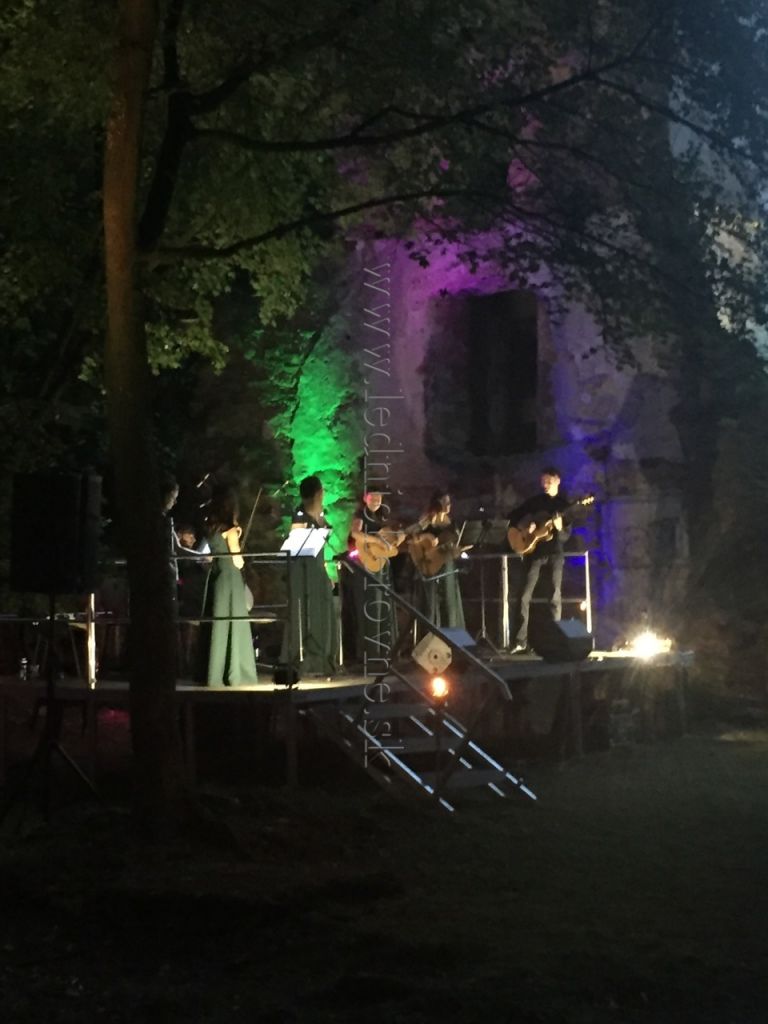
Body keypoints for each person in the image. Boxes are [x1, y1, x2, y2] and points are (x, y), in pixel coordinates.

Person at [280, 475, 338, 677]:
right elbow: (297, 546)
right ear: (317, 493)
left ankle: (323, 658)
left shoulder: (319, 514)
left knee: (323, 611)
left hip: (317, 570)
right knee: (304, 612)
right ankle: (303, 658)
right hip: (302, 570)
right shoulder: (299, 515)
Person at [509, 467, 572, 654]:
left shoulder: (564, 506)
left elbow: (566, 536)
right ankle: (519, 641)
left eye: (549, 481)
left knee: (554, 596)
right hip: (534, 552)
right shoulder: (534, 502)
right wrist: (526, 526)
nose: (545, 485)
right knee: (523, 595)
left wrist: (559, 529)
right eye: (543, 481)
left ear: (558, 481)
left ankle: (555, 639)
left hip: (555, 554)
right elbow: (513, 516)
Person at [200, 488, 258, 686]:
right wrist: (238, 540)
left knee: (218, 622)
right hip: (230, 578)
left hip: (216, 576)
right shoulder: (231, 530)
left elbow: (208, 556)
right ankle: (234, 672)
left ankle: (213, 672)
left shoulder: (210, 528)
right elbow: (238, 561)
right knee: (233, 620)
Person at [344, 490, 402, 671]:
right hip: (366, 566)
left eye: (379, 498)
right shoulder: (360, 516)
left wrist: (399, 537)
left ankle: (385, 652)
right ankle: (370, 653)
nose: (376, 500)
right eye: (372, 497)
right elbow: (356, 533)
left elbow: (393, 537)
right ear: (365, 498)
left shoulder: (383, 518)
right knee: (371, 606)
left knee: (384, 606)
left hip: (381, 564)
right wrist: (376, 541)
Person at [407, 490, 469, 630]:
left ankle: (451, 636)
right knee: (431, 604)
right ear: (437, 503)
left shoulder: (449, 521)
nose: (448, 505)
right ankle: (429, 636)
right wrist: (426, 537)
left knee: (449, 600)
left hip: (447, 562)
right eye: (445, 502)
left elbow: (453, 541)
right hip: (431, 565)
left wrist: (460, 547)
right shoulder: (428, 519)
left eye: (449, 502)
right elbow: (411, 536)